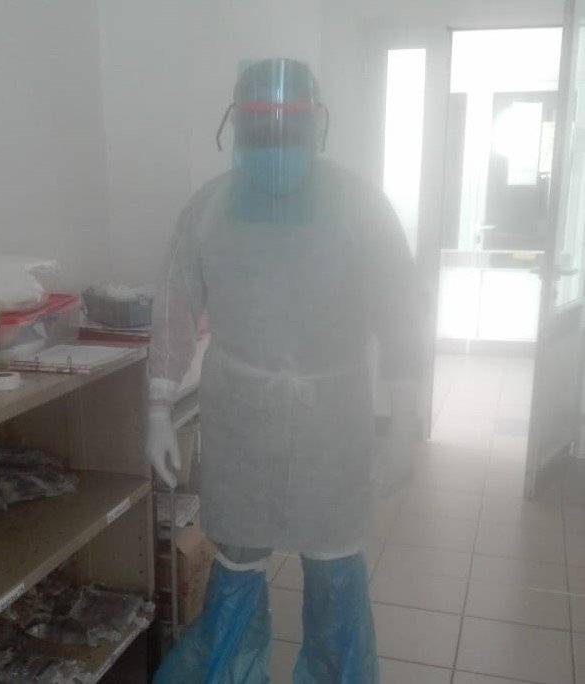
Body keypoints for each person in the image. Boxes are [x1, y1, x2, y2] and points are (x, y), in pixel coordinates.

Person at [146, 57, 422, 684]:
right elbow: (173, 308)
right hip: (240, 421)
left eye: (288, 130)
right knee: (238, 563)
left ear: (316, 126)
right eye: (261, 130)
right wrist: (158, 406)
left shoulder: (362, 209)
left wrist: (404, 423)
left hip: (334, 426)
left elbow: (400, 316)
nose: (275, 147)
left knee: (334, 569)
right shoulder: (208, 210)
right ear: (237, 128)